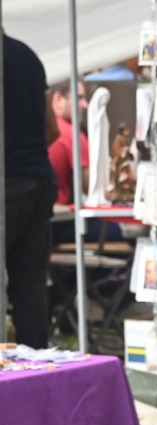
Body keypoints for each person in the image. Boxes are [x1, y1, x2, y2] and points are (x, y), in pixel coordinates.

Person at [3, 32, 58, 348]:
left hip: (10, 183)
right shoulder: (27, 55)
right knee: (30, 287)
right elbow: (52, 129)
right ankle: (35, 361)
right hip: (38, 178)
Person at [47, 78, 89, 209]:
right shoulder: (73, 135)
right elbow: (91, 187)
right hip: (61, 215)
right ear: (58, 99)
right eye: (79, 98)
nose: (85, 105)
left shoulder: (33, 129)